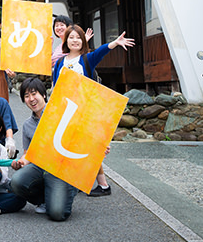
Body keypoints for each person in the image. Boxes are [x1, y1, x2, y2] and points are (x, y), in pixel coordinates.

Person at [52, 25, 133, 196]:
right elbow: (55, 86)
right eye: (71, 37)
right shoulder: (60, 62)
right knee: (70, 145)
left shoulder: (86, 59)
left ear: (83, 41)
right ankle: (77, 180)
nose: (75, 40)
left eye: (78, 38)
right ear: (66, 40)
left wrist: (115, 43)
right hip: (66, 111)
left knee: (89, 147)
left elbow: (102, 52)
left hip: (84, 111)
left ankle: (103, 185)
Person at [9, 77, 79, 221]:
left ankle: (69, 190)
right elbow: (28, 153)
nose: (31, 99)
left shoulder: (61, 114)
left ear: (44, 95)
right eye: (26, 96)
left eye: (34, 94)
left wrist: (99, 149)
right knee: (16, 181)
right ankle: (45, 199)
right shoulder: (28, 125)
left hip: (61, 169)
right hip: (40, 166)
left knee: (57, 214)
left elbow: (81, 138)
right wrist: (21, 163)